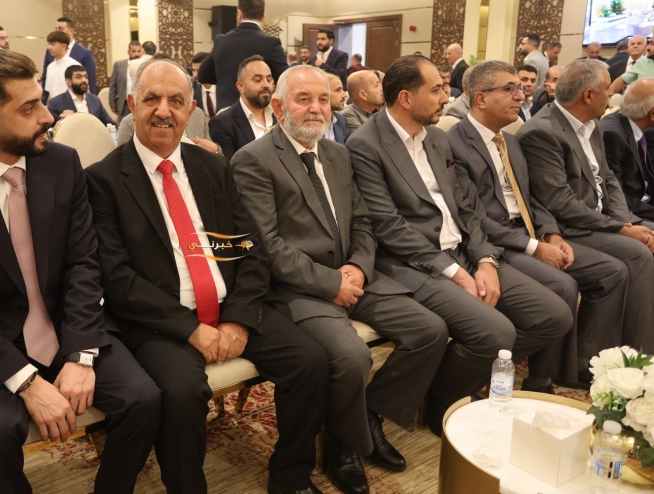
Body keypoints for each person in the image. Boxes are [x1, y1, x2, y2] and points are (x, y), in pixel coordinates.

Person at [0, 49, 161, 494]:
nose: (47, 116)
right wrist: (26, 382)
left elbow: (83, 264)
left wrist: (81, 354)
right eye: (28, 108)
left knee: (143, 399)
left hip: (64, 325)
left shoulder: (61, 162)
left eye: (40, 100)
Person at [85, 57, 328, 494]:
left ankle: (290, 476)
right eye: (151, 99)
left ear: (191, 109)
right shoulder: (103, 180)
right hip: (162, 322)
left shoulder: (213, 167)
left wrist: (237, 319)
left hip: (231, 305)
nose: (164, 111)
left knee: (310, 361)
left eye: (176, 101)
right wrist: (191, 329)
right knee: (181, 395)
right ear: (130, 105)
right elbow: (118, 278)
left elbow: (247, 247)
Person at [231, 64, 448, 494]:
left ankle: (366, 414)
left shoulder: (338, 154)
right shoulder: (253, 160)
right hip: (300, 288)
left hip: (355, 274)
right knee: (352, 357)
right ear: (279, 107)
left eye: (323, 100)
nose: (316, 108)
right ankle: (341, 445)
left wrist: (359, 267)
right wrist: (331, 284)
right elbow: (268, 246)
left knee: (430, 330)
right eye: (303, 99)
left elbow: (363, 222)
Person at [345, 55, 572, 435]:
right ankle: (428, 400)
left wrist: (485, 260)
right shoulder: (365, 144)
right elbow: (388, 227)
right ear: (406, 98)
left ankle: (445, 385)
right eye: (436, 89)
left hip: (464, 252)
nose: (446, 97)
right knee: (496, 333)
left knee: (554, 315)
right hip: (414, 263)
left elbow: (465, 208)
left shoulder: (436, 138)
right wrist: (456, 273)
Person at [448, 61, 628, 389]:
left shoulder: (510, 141)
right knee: (563, 285)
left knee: (608, 270)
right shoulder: (454, 144)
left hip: (527, 231)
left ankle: (563, 370)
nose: (521, 96)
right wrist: (534, 247)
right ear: (481, 98)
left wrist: (551, 233)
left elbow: (532, 197)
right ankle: (536, 378)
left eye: (520, 88)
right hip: (493, 241)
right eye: (510, 89)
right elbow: (473, 217)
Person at [517, 59, 654, 359]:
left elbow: (609, 179)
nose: (612, 93)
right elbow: (560, 202)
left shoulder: (593, 126)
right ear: (589, 95)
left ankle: (629, 346)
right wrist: (620, 228)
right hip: (569, 228)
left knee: (645, 238)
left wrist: (626, 221)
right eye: (607, 88)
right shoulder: (541, 132)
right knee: (638, 253)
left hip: (599, 221)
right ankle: (636, 355)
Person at [197, 0, 288, 110]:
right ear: (263, 17)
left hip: (225, 112)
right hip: (257, 111)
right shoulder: (271, 43)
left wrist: (226, 79)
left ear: (239, 14)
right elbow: (285, 80)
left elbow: (203, 76)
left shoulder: (221, 41)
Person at [601, 78, 654, 222]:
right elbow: (617, 197)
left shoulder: (631, 125)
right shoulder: (612, 135)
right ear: (652, 114)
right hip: (629, 215)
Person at [208, 55, 276, 159]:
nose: (266, 85)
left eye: (269, 79)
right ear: (241, 87)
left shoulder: (281, 116)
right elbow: (230, 166)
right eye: (258, 80)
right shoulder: (223, 123)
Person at [41, 17, 97, 95]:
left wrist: (91, 100)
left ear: (71, 31)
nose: (57, 31)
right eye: (56, 29)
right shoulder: (50, 52)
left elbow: (90, 81)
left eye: (60, 29)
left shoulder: (85, 53)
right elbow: (45, 77)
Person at [47, 65, 114, 125]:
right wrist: (64, 120)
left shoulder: (95, 100)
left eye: (86, 77)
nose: (84, 80)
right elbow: (50, 130)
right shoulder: (55, 103)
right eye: (79, 77)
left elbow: (111, 124)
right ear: (69, 82)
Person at [340, 70, 383, 135]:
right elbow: (366, 139)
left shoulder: (378, 111)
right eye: (377, 85)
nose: (382, 88)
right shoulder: (349, 115)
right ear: (363, 95)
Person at [109, 41, 144, 120]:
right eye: (133, 51)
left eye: (138, 51)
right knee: (123, 125)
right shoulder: (119, 65)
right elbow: (113, 85)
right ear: (128, 52)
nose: (136, 54)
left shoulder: (145, 65)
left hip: (140, 103)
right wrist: (112, 104)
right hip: (124, 104)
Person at [43, 31, 81, 103]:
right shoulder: (50, 67)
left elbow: (82, 92)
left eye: (53, 44)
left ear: (64, 46)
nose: (49, 47)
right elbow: (50, 94)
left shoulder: (75, 66)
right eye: (49, 44)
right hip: (54, 107)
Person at [323, 72, 350, 144]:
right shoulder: (311, 122)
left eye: (342, 89)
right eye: (338, 90)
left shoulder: (341, 120)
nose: (344, 95)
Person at [190, 52, 216, 118]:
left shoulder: (225, 86)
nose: (195, 75)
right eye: (193, 70)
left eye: (199, 70)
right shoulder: (190, 87)